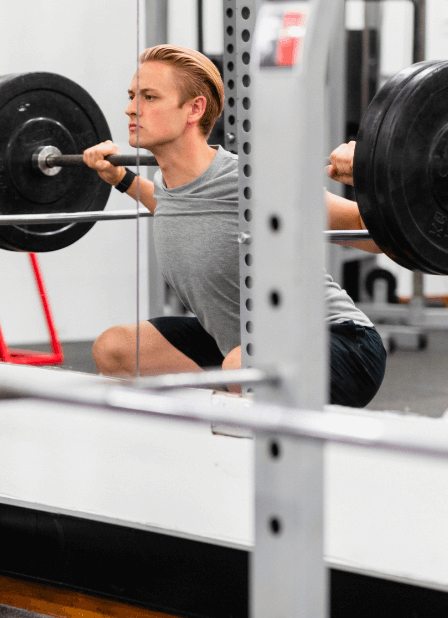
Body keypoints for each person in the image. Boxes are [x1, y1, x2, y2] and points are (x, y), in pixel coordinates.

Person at [85, 44, 386, 408]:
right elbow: (175, 207)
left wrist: (369, 176)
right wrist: (120, 178)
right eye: (132, 95)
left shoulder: (250, 179)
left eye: (149, 97)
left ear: (194, 109)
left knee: (241, 366)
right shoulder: (171, 185)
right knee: (116, 349)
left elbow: (367, 232)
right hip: (240, 343)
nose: (132, 108)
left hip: (341, 343)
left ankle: (246, 441)